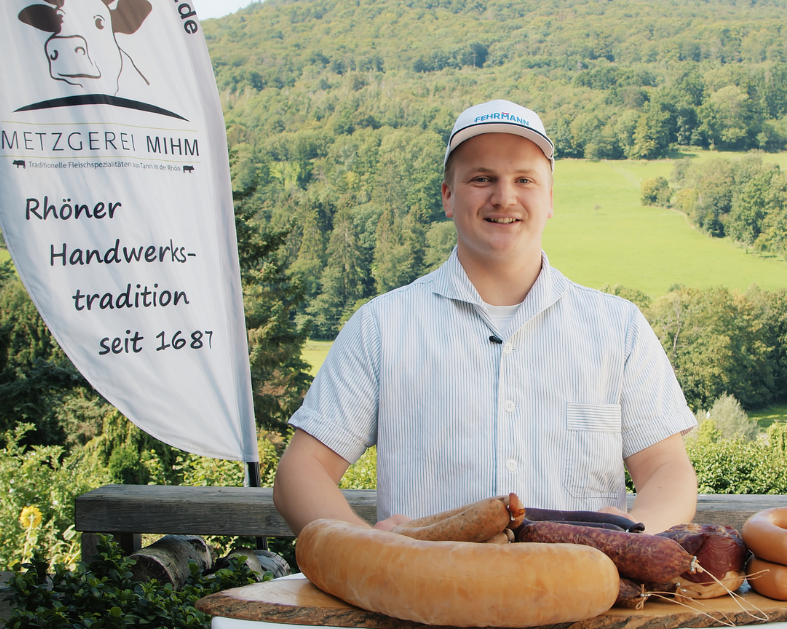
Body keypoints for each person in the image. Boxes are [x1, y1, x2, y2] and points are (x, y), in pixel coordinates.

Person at [273, 100, 698, 536]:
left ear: (549, 198)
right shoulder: (381, 327)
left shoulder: (619, 329)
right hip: (423, 597)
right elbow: (299, 474)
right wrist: (365, 547)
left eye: (524, 179)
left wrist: (638, 540)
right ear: (448, 195)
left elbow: (668, 469)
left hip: (582, 597)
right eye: (482, 178)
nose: (504, 197)